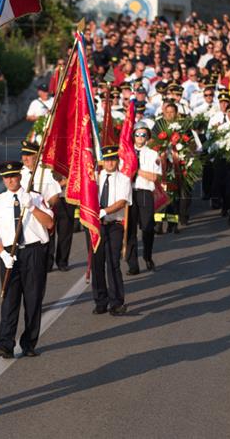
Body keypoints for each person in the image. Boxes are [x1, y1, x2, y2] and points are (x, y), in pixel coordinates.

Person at [0, 161, 54, 358]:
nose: (10, 180)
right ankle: (5, 344)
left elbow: (49, 223)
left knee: (33, 299)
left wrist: (32, 207)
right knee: (9, 299)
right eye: (6, 177)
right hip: (10, 253)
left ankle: (29, 343)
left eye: (14, 176)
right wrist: (2, 254)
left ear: (20, 176)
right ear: (3, 180)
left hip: (33, 252)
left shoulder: (35, 198)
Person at [92, 146, 131, 316]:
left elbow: (122, 202)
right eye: (107, 159)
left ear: (117, 161)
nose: (109, 162)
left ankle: (116, 302)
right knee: (97, 263)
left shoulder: (124, 179)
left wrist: (105, 211)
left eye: (113, 159)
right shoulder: (95, 177)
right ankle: (101, 301)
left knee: (113, 263)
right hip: (96, 225)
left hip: (114, 224)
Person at [19, 140, 63, 272]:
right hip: (26, 214)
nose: (25, 158)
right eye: (24, 155)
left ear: (37, 156)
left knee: (46, 240)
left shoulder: (46, 172)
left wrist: (46, 207)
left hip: (43, 212)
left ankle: (47, 263)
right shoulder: (20, 173)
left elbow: (55, 195)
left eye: (29, 155)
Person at [125, 124, 162, 275]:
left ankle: (147, 256)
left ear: (147, 138)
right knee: (130, 230)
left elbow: (154, 177)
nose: (140, 137)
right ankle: (132, 264)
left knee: (147, 227)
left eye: (143, 135)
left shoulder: (153, 154)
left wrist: (137, 170)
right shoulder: (125, 153)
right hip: (128, 193)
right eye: (137, 134)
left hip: (145, 192)